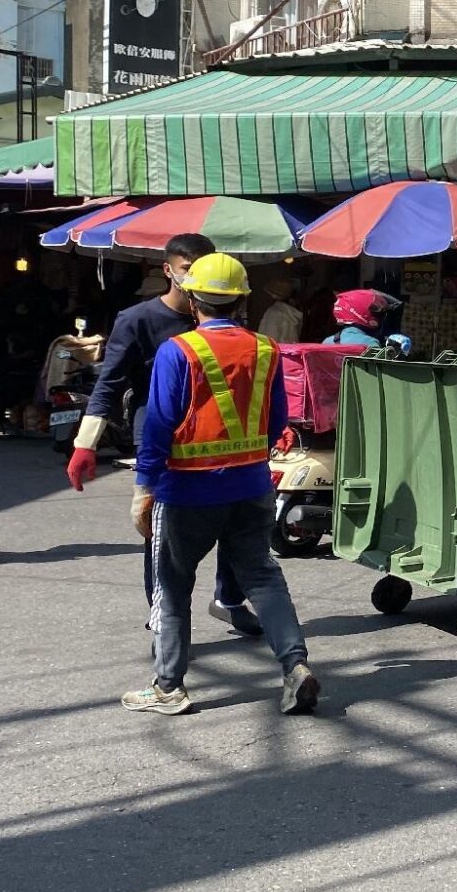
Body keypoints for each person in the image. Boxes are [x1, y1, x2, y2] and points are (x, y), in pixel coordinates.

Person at [124, 254, 318, 716]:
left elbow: (158, 426)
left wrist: (144, 486)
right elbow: (277, 422)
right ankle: (295, 666)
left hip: (186, 493)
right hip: (251, 486)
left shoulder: (179, 350)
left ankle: (169, 686)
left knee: (172, 587)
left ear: (193, 301)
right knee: (263, 579)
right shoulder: (268, 349)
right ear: (241, 301)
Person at [67, 233, 263, 640]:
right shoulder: (138, 320)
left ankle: (228, 598)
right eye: (189, 271)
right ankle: (162, 612)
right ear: (168, 271)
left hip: (223, 434)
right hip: (157, 430)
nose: (200, 281)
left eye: (206, 271)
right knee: (158, 526)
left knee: (233, 516)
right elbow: (110, 381)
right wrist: (85, 444)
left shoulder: (218, 312)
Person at [331, 288, 400, 350]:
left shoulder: (329, 341)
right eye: (375, 311)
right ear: (361, 312)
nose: (380, 317)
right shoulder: (370, 343)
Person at [257, 272, 304, 346]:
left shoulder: (273, 313)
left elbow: (268, 340)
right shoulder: (294, 314)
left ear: (273, 296)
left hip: (274, 354)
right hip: (291, 353)